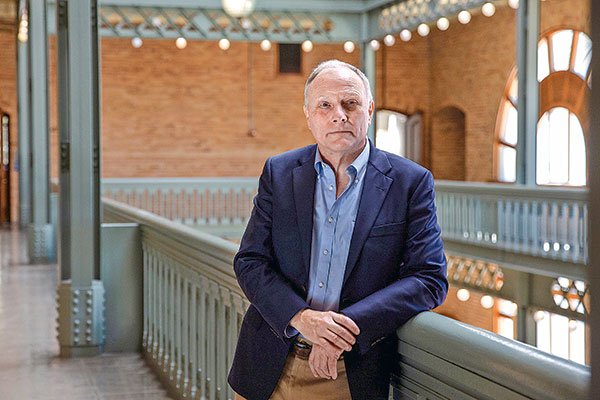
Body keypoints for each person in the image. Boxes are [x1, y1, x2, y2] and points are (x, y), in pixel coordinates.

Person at [228, 59, 448, 400]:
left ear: (370, 109)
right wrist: (302, 318)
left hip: (349, 372)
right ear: (308, 115)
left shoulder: (410, 182)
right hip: (267, 363)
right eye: (325, 105)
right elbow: (250, 261)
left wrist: (341, 331)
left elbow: (429, 278)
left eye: (351, 103)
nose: (338, 115)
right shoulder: (279, 172)